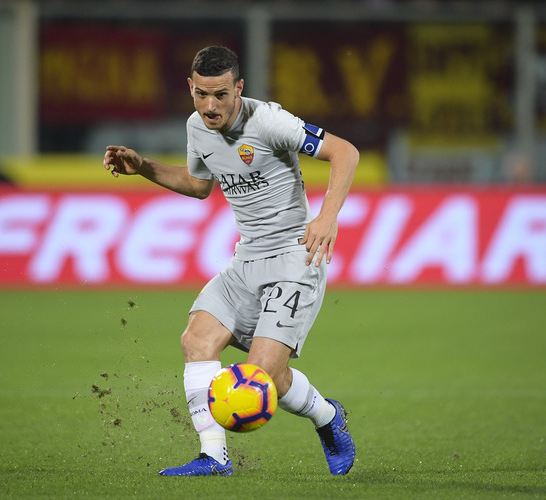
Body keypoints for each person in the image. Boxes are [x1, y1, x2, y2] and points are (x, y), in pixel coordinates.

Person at [103, 46, 359, 476]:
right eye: (201, 94)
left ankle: (328, 417)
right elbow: (198, 184)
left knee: (263, 377)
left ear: (238, 88)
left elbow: (346, 152)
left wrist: (327, 216)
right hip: (247, 258)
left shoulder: (270, 122)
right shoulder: (196, 126)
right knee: (196, 340)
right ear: (190, 87)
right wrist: (143, 166)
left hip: (294, 258)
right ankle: (215, 457)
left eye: (220, 94)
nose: (210, 105)